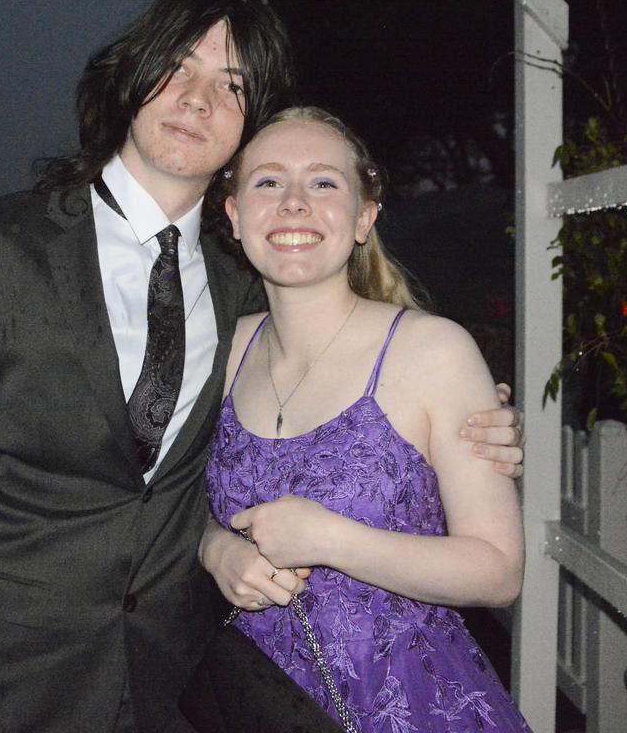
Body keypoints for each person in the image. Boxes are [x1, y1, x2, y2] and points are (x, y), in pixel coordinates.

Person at [0, 0, 523, 733]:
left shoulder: (244, 290)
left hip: (171, 684)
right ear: (130, 78)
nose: (199, 98)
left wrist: (473, 424)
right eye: (178, 66)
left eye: (231, 85)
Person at [199, 106, 530, 731]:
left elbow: (499, 571)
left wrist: (331, 540)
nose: (294, 202)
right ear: (235, 216)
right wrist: (216, 548)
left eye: (323, 182)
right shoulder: (219, 351)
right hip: (252, 698)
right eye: (268, 181)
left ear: (363, 218)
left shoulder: (434, 351)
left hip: (408, 704)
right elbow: (159, 500)